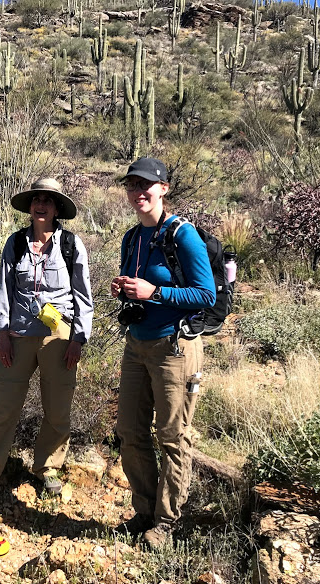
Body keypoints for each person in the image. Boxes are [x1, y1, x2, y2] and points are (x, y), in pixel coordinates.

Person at [0, 178, 93, 503]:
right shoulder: (15, 243)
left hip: (59, 337)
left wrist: (78, 338)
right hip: (17, 336)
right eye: (36, 200)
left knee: (57, 409)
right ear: (30, 207)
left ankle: (47, 467)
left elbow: (83, 295)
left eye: (48, 200)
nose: (41, 205)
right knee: (2, 408)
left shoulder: (72, 244)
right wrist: (2, 334)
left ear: (57, 208)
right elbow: (4, 290)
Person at [110, 157, 215, 548]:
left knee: (172, 434)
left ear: (163, 188)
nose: (139, 193)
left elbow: (206, 294)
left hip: (175, 346)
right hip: (137, 342)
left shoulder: (182, 235)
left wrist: (154, 292)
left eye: (146, 185)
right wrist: (125, 289)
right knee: (130, 431)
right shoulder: (132, 238)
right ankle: (144, 511)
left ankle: (167, 522)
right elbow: (137, 283)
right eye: (132, 185)